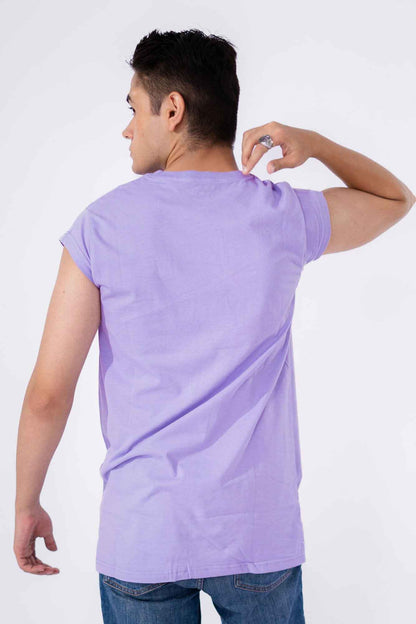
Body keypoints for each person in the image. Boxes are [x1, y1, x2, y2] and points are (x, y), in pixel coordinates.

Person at [14, 28, 414, 624]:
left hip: (144, 535)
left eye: (134, 108)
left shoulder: (101, 228)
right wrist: (314, 144)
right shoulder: (282, 215)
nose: (127, 128)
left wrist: (26, 503)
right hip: (257, 535)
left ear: (172, 110)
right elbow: (395, 199)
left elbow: (49, 393)